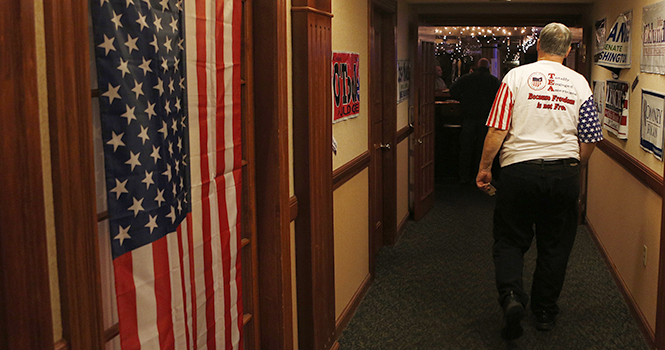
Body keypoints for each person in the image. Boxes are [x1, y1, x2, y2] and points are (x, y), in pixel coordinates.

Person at [475, 23, 603, 341]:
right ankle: (544, 312)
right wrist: (577, 166)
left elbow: (497, 129)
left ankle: (512, 297)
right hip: (564, 172)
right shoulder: (579, 83)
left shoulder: (515, 78)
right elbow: (590, 136)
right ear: (568, 50)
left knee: (509, 240)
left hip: (519, 172)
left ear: (538, 47)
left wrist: (485, 168)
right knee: (555, 244)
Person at [449, 58, 500, 184]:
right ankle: (481, 175)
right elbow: (500, 97)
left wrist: (462, 100)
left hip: (469, 117)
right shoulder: (493, 81)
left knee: (466, 148)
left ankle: (464, 176)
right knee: (483, 148)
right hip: (486, 119)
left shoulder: (467, 78)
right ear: (488, 67)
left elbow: (452, 91)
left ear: (477, 65)